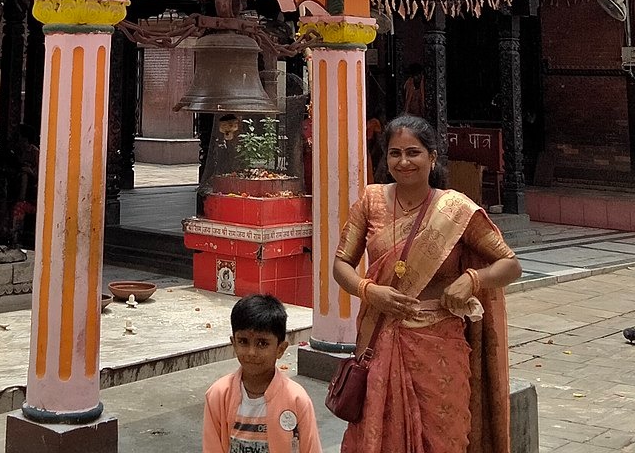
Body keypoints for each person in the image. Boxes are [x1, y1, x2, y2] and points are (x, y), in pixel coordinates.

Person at [331, 115, 521, 453]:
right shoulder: (371, 201)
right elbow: (341, 264)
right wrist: (368, 290)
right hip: (380, 338)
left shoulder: (456, 209)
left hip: (440, 344)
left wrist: (473, 279)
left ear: (432, 157)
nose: (403, 162)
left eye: (413, 152)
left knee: (444, 437)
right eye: (394, 153)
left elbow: (510, 264)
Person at [203, 294, 322, 453]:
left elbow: (310, 448)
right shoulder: (218, 395)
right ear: (234, 344)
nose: (251, 352)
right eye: (243, 341)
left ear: (280, 349)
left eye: (262, 343)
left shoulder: (297, 399)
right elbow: (212, 448)